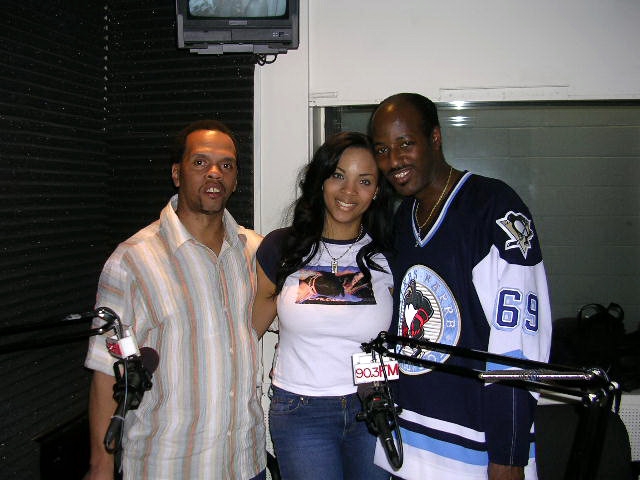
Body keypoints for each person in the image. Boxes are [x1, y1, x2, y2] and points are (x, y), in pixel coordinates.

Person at [369, 93, 552, 480]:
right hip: (409, 439)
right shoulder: (402, 218)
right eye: (382, 150)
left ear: (435, 138)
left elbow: (519, 341)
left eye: (406, 143)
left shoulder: (494, 208)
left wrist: (509, 452)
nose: (393, 161)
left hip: (477, 446)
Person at [84, 120, 266, 480]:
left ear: (235, 180)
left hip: (245, 463)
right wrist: (101, 466)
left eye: (226, 165)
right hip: (168, 466)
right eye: (200, 162)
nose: (214, 173)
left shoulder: (253, 251)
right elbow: (107, 370)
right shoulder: (132, 260)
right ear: (177, 174)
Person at [252, 132, 395, 480]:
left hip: (373, 406)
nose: (349, 191)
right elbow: (248, 332)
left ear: (377, 191)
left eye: (364, 181)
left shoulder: (390, 254)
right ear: (321, 180)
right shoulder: (281, 248)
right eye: (338, 175)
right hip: (301, 411)